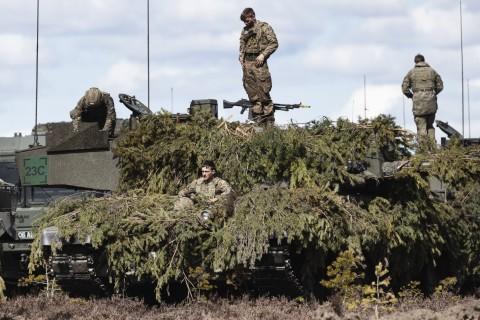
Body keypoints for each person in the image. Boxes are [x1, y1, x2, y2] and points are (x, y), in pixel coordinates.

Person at [239, 8, 278, 124]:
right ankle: (258, 124)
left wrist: (263, 55)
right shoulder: (244, 30)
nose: (245, 23)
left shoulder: (264, 27)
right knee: (253, 96)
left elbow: (274, 43)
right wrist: (242, 60)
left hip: (259, 63)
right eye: (244, 21)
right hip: (247, 64)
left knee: (264, 94)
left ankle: (269, 126)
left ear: (253, 16)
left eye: (247, 20)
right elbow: (241, 45)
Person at [402, 54, 443, 143]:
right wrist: (433, 94)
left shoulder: (411, 72)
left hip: (418, 102)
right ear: (424, 60)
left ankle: (423, 150)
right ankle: (432, 147)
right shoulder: (432, 71)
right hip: (431, 102)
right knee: (430, 126)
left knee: (421, 127)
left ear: (415, 62)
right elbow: (440, 86)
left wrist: (411, 96)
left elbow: (404, 88)